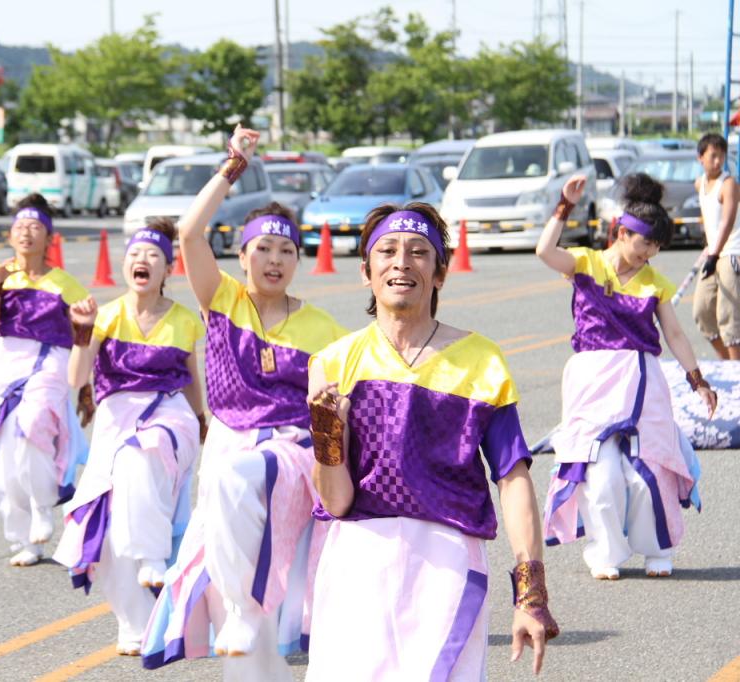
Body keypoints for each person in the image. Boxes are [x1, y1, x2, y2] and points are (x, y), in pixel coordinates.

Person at [305, 202, 558, 680]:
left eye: (419, 252)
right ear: (366, 271)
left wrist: (531, 592)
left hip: (448, 562)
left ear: (440, 273)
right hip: (358, 560)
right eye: (387, 251)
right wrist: (328, 435)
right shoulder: (333, 364)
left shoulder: (482, 362)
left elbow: (513, 476)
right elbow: (336, 502)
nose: (402, 262)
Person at [140, 126, 348, 680]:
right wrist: (233, 165)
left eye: (287, 251)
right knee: (229, 562)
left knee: (274, 557)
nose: (275, 260)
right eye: (263, 248)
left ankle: (250, 618)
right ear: (241, 255)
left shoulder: (323, 327)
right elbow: (189, 232)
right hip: (229, 441)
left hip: (291, 452)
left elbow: (339, 402)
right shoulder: (223, 299)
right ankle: (251, 640)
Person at [538, 173, 716, 580]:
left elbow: (674, 334)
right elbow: (544, 251)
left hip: (641, 380)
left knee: (647, 470)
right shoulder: (586, 263)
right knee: (600, 474)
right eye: (645, 242)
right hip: (592, 380)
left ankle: (658, 549)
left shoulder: (655, 283)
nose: (649, 252)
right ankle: (605, 551)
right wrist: (565, 205)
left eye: (656, 245)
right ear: (621, 232)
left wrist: (698, 380)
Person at [53, 219, 205, 657]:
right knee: (109, 527)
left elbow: (192, 380)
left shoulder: (183, 319)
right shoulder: (105, 316)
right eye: (135, 254)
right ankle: (134, 623)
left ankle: (153, 554)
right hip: (115, 422)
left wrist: (202, 424)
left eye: (154, 255)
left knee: (139, 458)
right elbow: (76, 378)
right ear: (125, 265)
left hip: (170, 417)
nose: (143, 261)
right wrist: (82, 331)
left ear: (168, 269)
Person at [0, 194, 89, 567]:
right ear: (11, 235)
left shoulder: (65, 283)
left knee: (32, 423)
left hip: (50, 357)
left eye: (35, 227)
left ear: (49, 238)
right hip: (6, 357)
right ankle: (25, 539)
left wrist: (86, 381)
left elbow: (84, 331)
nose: (26, 233)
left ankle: (43, 506)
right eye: (20, 227)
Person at [693, 133, 740, 360]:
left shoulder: (729, 184)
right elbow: (710, 220)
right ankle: (729, 362)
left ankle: (735, 368)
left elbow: (727, 221)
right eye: (713, 156)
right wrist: (709, 247)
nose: (718, 161)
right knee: (701, 311)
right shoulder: (699, 184)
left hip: (731, 252)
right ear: (700, 157)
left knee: (727, 316)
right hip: (713, 253)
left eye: (721, 156)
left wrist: (715, 252)